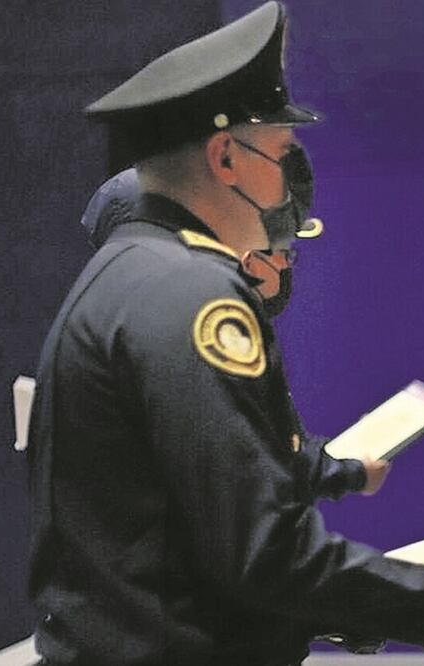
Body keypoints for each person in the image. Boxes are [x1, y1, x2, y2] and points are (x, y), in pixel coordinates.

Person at [27, 4, 424, 664]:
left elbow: (191, 536)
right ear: (227, 158)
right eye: (282, 154)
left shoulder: (125, 272)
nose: (285, 193)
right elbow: (262, 550)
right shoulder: (196, 294)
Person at [78, 168, 389, 501]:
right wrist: (348, 472)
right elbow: (251, 465)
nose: (285, 264)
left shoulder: (135, 324)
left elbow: (270, 447)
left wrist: (342, 461)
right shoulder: (178, 340)